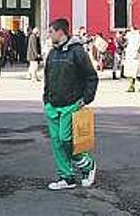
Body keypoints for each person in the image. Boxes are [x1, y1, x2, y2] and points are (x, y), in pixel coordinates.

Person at [43, 18, 99, 190]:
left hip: (71, 103)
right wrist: (46, 99)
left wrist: (85, 99)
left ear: (60, 32)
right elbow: (47, 76)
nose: (49, 34)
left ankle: (87, 165)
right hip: (53, 104)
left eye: (51, 31)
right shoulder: (52, 53)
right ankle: (66, 177)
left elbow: (91, 77)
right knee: (57, 142)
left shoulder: (78, 52)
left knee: (66, 139)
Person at [124, 26, 140, 92]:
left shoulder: (135, 36)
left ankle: (132, 86)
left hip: (134, 56)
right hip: (131, 56)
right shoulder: (134, 37)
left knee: (133, 72)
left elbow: (136, 47)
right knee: (135, 73)